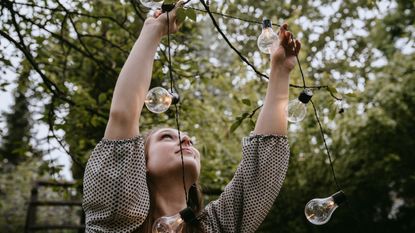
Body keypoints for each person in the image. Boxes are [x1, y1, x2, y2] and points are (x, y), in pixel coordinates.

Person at [82, 2, 301, 232]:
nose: (186, 140)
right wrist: (153, 29)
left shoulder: (214, 227)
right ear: (138, 163)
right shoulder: (116, 219)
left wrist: (280, 70)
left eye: (189, 140)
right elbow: (122, 116)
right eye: (167, 137)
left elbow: (262, 168)